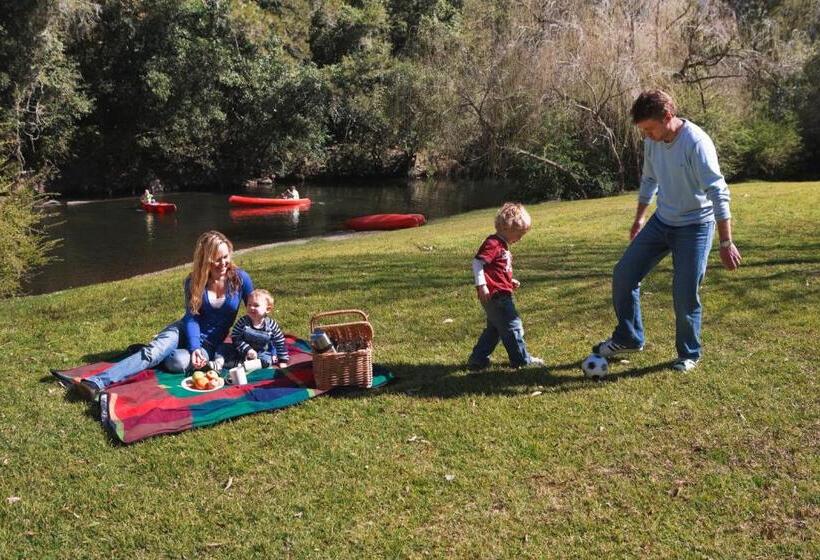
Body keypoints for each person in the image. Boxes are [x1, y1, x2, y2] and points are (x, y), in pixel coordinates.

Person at [592, 89, 742, 372]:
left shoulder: (696, 143)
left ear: (668, 117)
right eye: (643, 130)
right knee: (624, 274)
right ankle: (629, 337)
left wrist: (725, 242)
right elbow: (650, 179)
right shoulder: (653, 142)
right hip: (662, 221)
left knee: (684, 292)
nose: (647, 135)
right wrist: (639, 218)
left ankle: (689, 354)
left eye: (649, 128)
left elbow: (719, 192)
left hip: (696, 226)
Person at [68, 231, 254, 399]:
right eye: (216, 259)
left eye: (226, 257)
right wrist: (194, 346)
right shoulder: (194, 281)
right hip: (184, 330)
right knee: (152, 354)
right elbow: (191, 317)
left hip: (210, 343)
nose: (223, 263)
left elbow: (254, 311)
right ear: (206, 259)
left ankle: (150, 351)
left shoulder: (240, 279)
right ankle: (95, 383)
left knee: (177, 362)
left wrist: (261, 343)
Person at [467, 202, 545, 370]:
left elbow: (496, 268)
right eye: (519, 234)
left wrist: (509, 281)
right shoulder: (493, 243)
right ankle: (521, 360)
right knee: (513, 326)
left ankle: (477, 359)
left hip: (498, 293)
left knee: (494, 329)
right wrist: (482, 285)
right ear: (508, 228)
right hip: (496, 296)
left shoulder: (501, 245)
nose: (520, 238)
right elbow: (477, 263)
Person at [231, 288, 289, 369]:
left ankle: (244, 365)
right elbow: (235, 337)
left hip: (262, 353)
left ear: (268, 309)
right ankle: (229, 362)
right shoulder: (243, 322)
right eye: (249, 304)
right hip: (244, 352)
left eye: (256, 305)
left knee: (267, 360)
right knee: (224, 349)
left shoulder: (271, 325)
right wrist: (247, 349)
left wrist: (283, 360)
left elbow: (279, 342)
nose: (251, 308)